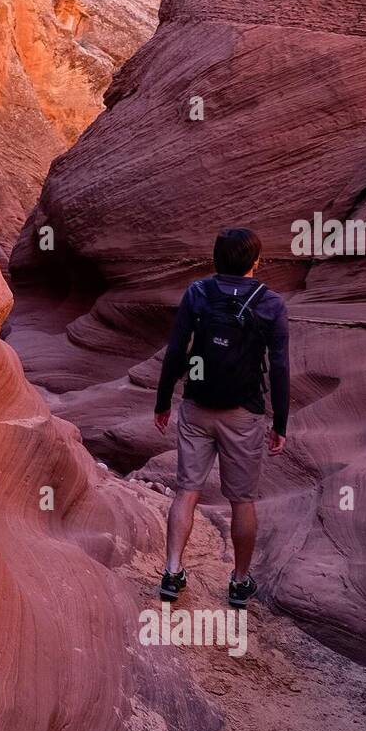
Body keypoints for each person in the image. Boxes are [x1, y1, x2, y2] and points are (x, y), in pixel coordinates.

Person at [153, 228, 289, 608]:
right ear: (255, 262)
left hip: (197, 406)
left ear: (216, 259)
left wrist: (163, 400)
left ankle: (172, 570)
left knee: (186, 491)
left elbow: (177, 350)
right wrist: (281, 423)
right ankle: (239, 582)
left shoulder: (197, 293)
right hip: (244, 414)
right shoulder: (271, 304)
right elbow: (279, 366)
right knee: (242, 501)